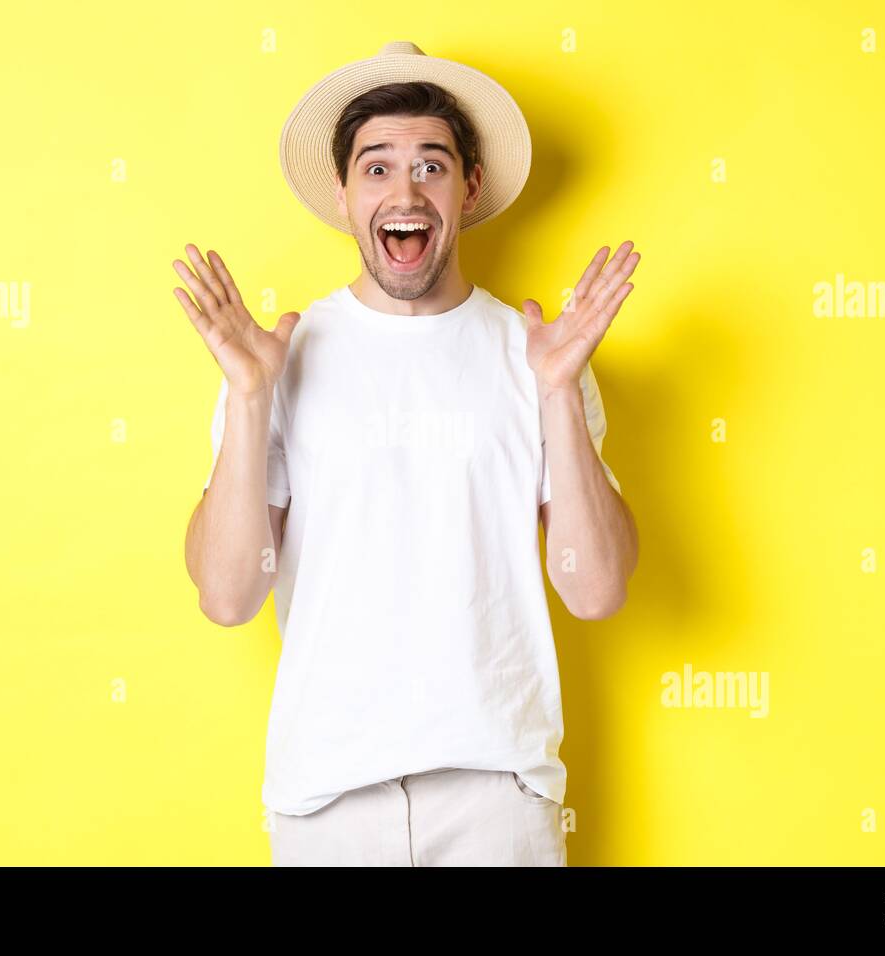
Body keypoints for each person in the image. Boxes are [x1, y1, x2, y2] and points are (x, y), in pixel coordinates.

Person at [173, 41, 640, 866]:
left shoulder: (535, 355)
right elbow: (225, 596)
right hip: (326, 804)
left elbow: (596, 589)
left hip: (499, 798)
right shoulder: (278, 358)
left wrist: (561, 391)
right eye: (377, 167)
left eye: (432, 164)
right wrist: (249, 399)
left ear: (469, 188)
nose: (406, 189)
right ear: (347, 196)